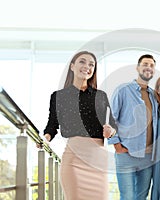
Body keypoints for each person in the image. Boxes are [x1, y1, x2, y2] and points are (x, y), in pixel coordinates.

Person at [42, 51, 117, 200]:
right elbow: (52, 125)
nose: (87, 67)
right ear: (72, 66)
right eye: (82, 62)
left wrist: (111, 130)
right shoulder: (58, 96)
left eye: (91, 65)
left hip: (97, 160)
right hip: (74, 160)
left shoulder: (100, 96)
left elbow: (113, 125)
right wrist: (45, 138)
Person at [108, 54, 158, 200]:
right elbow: (111, 120)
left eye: (152, 65)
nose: (148, 67)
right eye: (145, 64)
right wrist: (117, 146)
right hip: (126, 154)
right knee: (128, 197)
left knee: (142, 197)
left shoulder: (155, 96)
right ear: (138, 68)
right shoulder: (123, 90)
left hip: (148, 157)